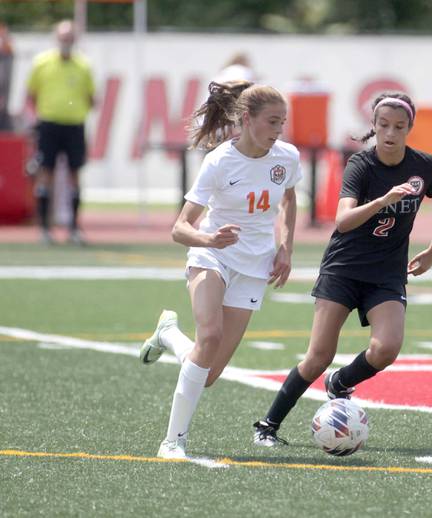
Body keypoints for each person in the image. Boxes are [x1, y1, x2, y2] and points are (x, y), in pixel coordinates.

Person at [252, 92, 432, 446]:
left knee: (386, 348)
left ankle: (340, 382)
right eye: (384, 125)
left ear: (410, 128)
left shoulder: (425, 166)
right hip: (343, 269)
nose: (391, 132)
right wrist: (384, 200)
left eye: (399, 126)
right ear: (373, 127)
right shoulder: (361, 165)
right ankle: (267, 425)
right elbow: (343, 221)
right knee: (317, 357)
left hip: (387, 274)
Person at [138, 80, 301, 459]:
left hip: (255, 265)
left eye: (283, 122)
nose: (279, 131)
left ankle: (168, 334)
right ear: (247, 119)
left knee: (208, 374)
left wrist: (285, 247)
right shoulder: (219, 161)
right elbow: (180, 228)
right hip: (212, 256)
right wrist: (210, 241)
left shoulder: (287, 157)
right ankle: (173, 441)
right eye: (273, 122)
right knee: (209, 337)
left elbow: (289, 200)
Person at [25, 20, 95, 245]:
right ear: (56, 39)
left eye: (70, 38)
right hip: (49, 125)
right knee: (45, 172)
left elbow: (91, 97)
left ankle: (74, 227)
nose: (66, 42)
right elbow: (31, 94)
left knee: (75, 174)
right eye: (63, 38)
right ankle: (45, 228)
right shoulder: (42, 63)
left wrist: (76, 108)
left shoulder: (83, 65)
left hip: (74, 125)